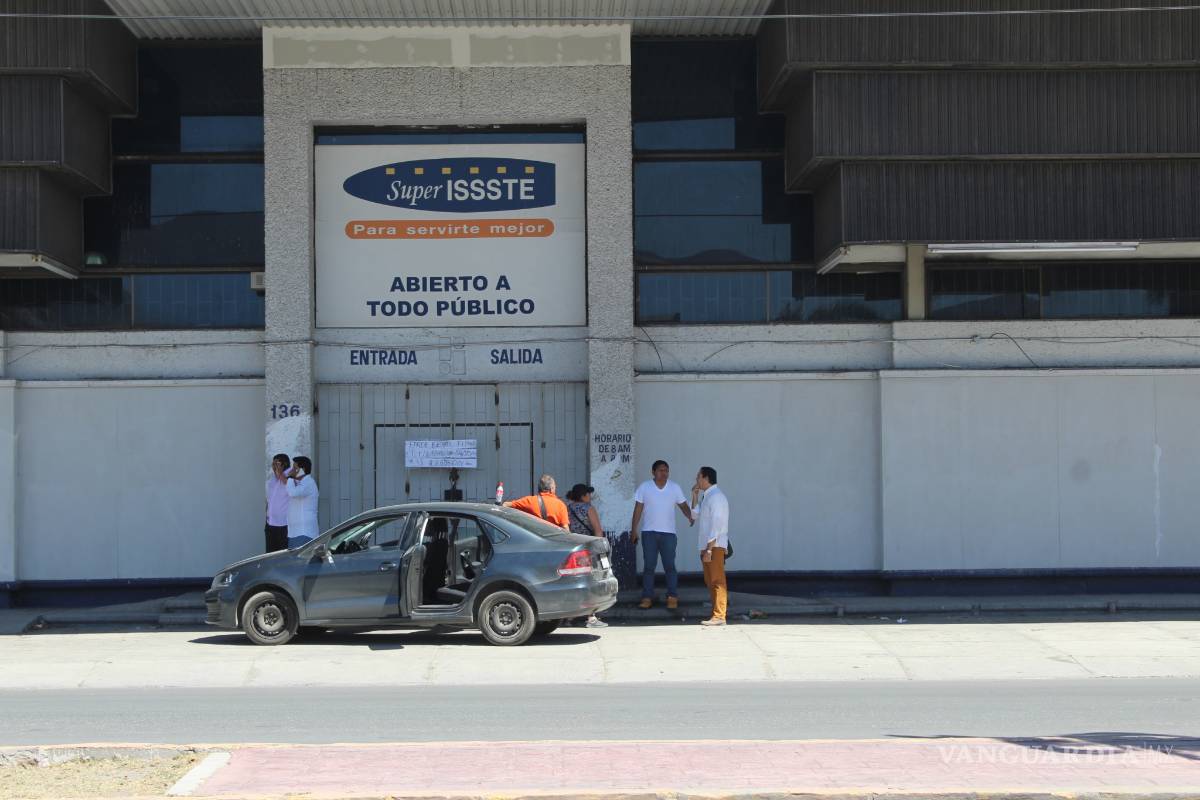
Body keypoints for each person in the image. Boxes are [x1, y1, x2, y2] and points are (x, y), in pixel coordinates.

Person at [630, 460, 694, 609]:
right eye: (660, 470)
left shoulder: (674, 487)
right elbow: (638, 509)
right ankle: (647, 597)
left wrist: (689, 516)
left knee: (670, 566)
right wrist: (634, 529)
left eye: (666, 470)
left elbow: (683, 505)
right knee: (649, 567)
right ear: (653, 472)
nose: (664, 473)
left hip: (669, 534)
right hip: (649, 533)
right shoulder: (645, 487)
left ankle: (672, 596)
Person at [690, 465, 730, 626]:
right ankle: (716, 613)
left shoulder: (717, 497)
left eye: (698, 477)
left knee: (717, 580)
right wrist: (694, 495)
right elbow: (694, 515)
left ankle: (720, 616)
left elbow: (717, 524)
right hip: (707, 546)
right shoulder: (707, 496)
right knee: (710, 580)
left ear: (705, 478)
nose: (696, 480)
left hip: (714, 546)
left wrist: (709, 548)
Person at [567, 483, 608, 629]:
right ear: (583, 496)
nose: (590, 497)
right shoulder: (588, 508)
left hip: (573, 550)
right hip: (588, 550)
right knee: (591, 582)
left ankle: (571, 615)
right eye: (588, 494)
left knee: (575, 581)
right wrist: (601, 550)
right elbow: (598, 530)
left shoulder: (568, 508)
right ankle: (591, 617)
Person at [285, 455, 319, 548]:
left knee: (300, 562)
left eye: (295, 468)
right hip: (295, 532)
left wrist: (290, 478)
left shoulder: (309, 483)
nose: (292, 470)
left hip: (304, 532)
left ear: (302, 469)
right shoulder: (301, 484)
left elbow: (292, 493)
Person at [264, 453, 291, 552]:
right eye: (273, 464)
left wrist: (280, 474)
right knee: (270, 555)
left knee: (283, 556)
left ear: (285, 464)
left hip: (284, 525)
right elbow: (268, 500)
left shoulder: (291, 478)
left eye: (277, 464)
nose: (274, 466)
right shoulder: (271, 480)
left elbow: (292, 487)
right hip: (270, 525)